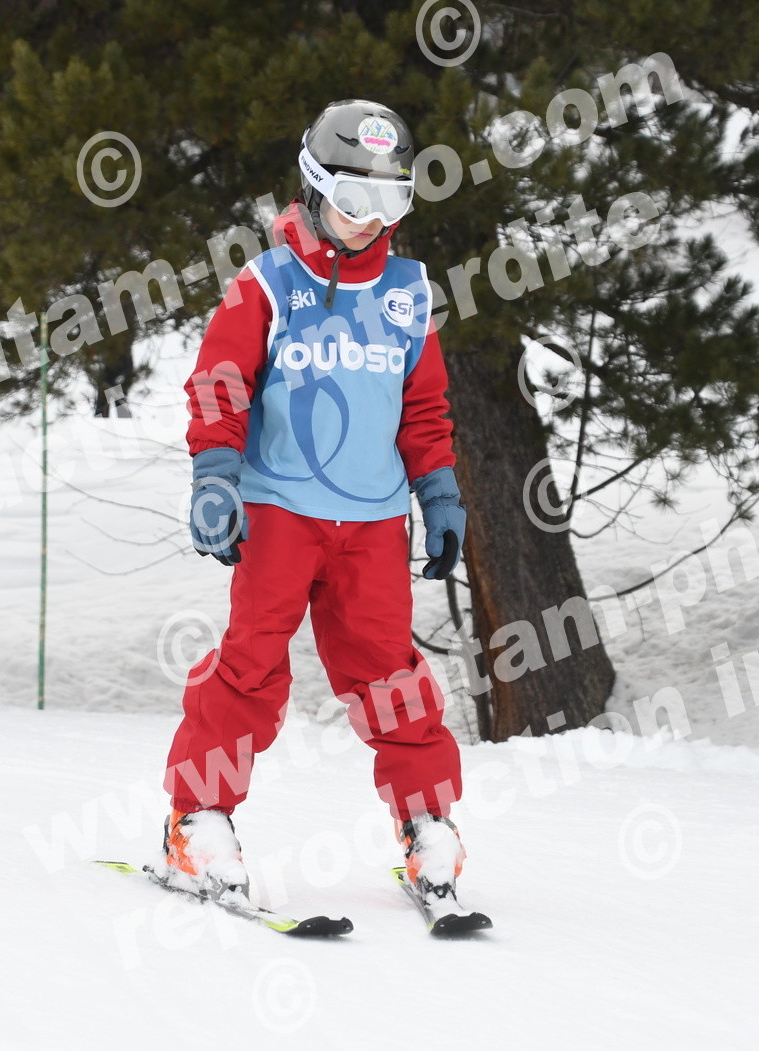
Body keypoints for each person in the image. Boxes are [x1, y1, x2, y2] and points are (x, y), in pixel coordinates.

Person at [154, 99, 473, 913]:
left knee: (390, 676)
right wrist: (216, 476)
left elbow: (424, 409)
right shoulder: (266, 284)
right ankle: (198, 819)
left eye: (390, 203)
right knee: (250, 665)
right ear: (314, 188)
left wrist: (438, 489)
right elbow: (219, 385)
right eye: (353, 201)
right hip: (279, 514)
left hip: (373, 522)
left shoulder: (409, 292)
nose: (369, 222)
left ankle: (426, 822)